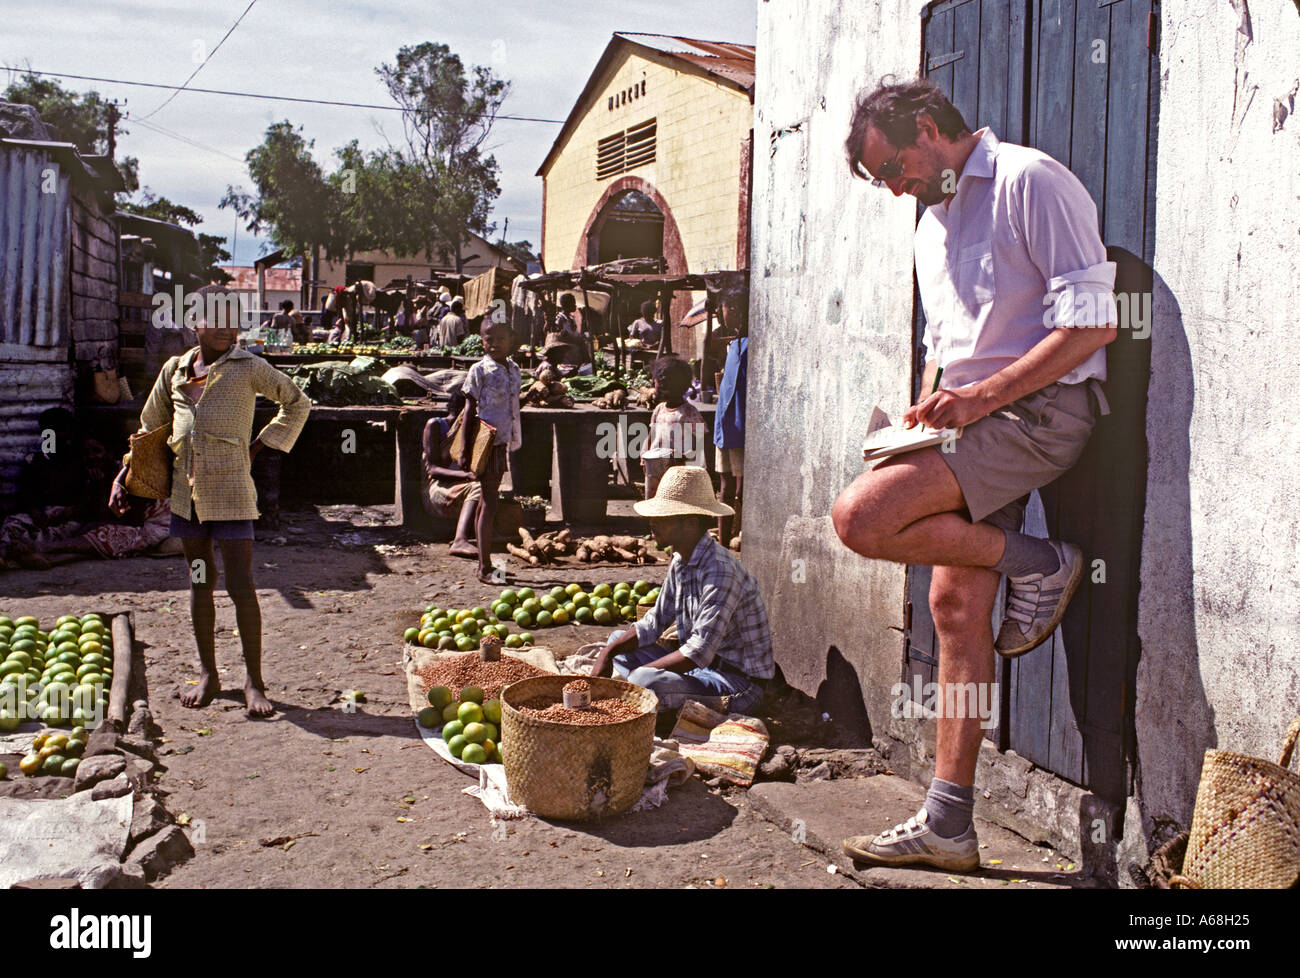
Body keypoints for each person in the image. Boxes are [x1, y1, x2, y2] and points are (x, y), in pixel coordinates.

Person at [833, 78, 1116, 870]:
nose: (895, 189)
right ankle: (949, 821)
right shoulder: (932, 225)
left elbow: (1093, 320)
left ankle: (1041, 564)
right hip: (972, 426)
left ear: (928, 127)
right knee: (955, 602)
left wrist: (983, 397)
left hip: (1040, 414)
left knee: (860, 519)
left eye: (894, 168)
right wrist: (920, 415)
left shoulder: (1030, 181)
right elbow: (947, 347)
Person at [109, 285, 311, 717]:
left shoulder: (249, 367)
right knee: (201, 582)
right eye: (213, 317)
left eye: (230, 317)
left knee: (240, 585)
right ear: (194, 323)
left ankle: (254, 681)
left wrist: (258, 447)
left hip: (233, 497)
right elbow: (150, 428)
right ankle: (208, 674)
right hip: (188, 503)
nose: (223, 327)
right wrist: (125, 472)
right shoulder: (177, 371)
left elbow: (296, 403)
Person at [589, 466, 773, 720]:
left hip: (738, 685)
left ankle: (656, 701)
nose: (652, 523)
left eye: (664, 518)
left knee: (644, 679)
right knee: (617, 641)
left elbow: (698, 652)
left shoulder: (720, 571)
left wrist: (635, 680)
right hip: (700, 671)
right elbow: (655, 622)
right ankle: (652, 693)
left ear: (691, 523)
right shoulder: (680, 560)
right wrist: (607, 653)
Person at [459, 319, 522, 584]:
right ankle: (484, 568)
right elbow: (468, 410)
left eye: (500, 339)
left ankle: (485, 563)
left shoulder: (514, 369)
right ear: (481, 340)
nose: (493, 344)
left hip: (502, 442)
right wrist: (464, 448)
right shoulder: (479, 370)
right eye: (488, 339)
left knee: (487, 502)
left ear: (511, 341)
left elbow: (513, 403)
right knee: (490, 502)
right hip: (484, 442)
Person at [421, 388, 481, 559]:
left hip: (461, 487)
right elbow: (433, 470)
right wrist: (467, 476)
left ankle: (484, 535)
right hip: (438, 490)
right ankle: (460, 540)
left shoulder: (472, 431)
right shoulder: (435, 425)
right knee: (478, 488)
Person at [641, 356, 707, 499]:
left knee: (674, 502)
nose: (654, 384)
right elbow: (652, 434)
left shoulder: (688, 413)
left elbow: (700, 441)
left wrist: (682, 457)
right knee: (655, 503)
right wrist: (644, 455)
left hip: (678, 473)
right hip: (655, 470)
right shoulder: (659, 409)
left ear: (667, 385)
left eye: (656, 381)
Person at [714, 296, 748, 548]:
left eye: (722, 308)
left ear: (734, 309)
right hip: (725, 428)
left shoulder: (750, 345)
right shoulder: (734, 344)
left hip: (742, 430)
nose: (719, 313)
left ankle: (741, 537)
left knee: (742, 489)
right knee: (725, 489)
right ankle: (723, 543)